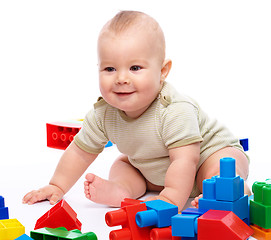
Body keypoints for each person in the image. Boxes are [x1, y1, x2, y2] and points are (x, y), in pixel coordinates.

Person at [23, 10, 250, 211]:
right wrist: (57, 185)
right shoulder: (103, 114)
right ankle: (121, 190)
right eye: (110, 68)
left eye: (135, 68)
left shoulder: (174, 109)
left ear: (162, 71)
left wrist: (170, 199)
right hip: (156, 172)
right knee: (123, 164)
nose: (121, 78)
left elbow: (185, 160)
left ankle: (228, 192)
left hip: (203, 157)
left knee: (220, 167)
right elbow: (79, 152)